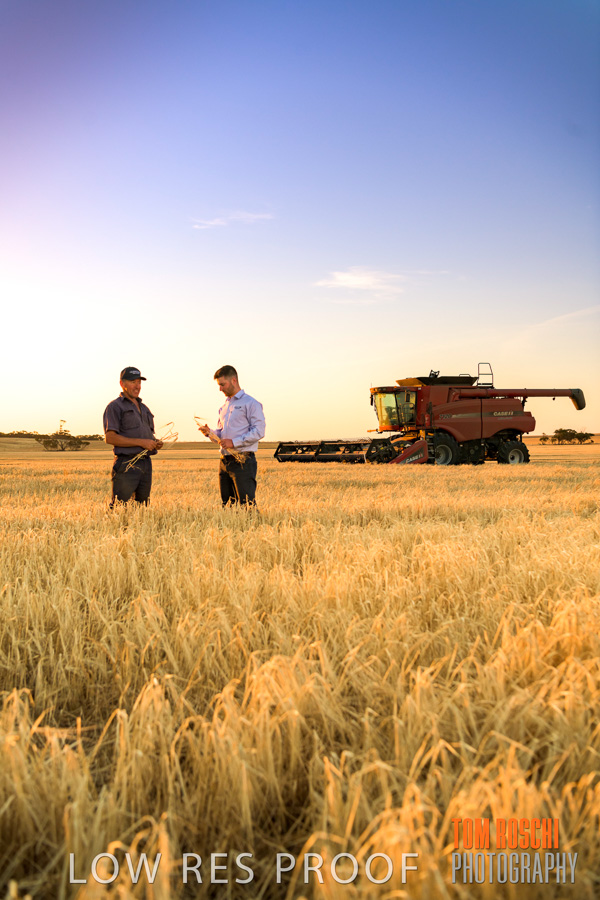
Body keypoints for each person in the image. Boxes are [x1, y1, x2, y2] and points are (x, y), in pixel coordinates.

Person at [198, 365, 265, 507]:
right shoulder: (224, 407)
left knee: (247, 506)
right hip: (224, 461)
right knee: (228, 506)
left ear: (234, 380)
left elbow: (259, 431)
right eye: (219, 385)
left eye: (222, 384)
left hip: (243, 461)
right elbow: (221, 435)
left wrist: (234, 442)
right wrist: (210, 433)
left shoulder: (251, 403)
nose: (220, 389)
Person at [103, 366, 162, 507]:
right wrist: (142, 442)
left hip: (145, 463)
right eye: (132, 382)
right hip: (127, 463)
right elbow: (110, 438)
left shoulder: (145, 408)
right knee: (120, 507)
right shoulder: (115, 407)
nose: (137, 386)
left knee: (142, 508)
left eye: (139, 382)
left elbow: (147, 436)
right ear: (122, 384)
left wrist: (155, 443)